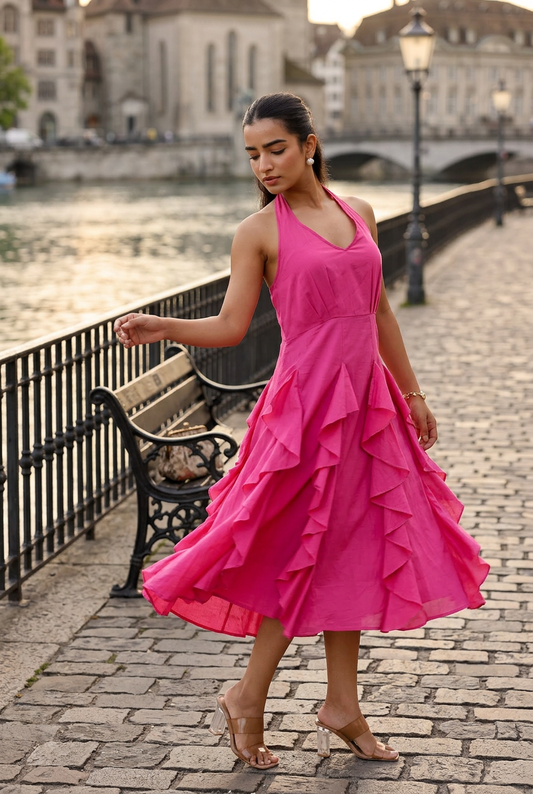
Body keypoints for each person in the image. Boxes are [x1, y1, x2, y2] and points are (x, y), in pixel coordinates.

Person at [114, 92, 489, 771]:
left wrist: (411, 392)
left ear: (309, 143)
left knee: (356, 544)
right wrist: (164, 326)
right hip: (304, 411)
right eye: (252, 153)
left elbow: (379, 314)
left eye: (275, 148)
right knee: (300, 551)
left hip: (367, 408)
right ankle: (249, 696)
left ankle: (339, 704)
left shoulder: (361, 213)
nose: (263, 163)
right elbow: (231, 327)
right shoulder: (258, 232)